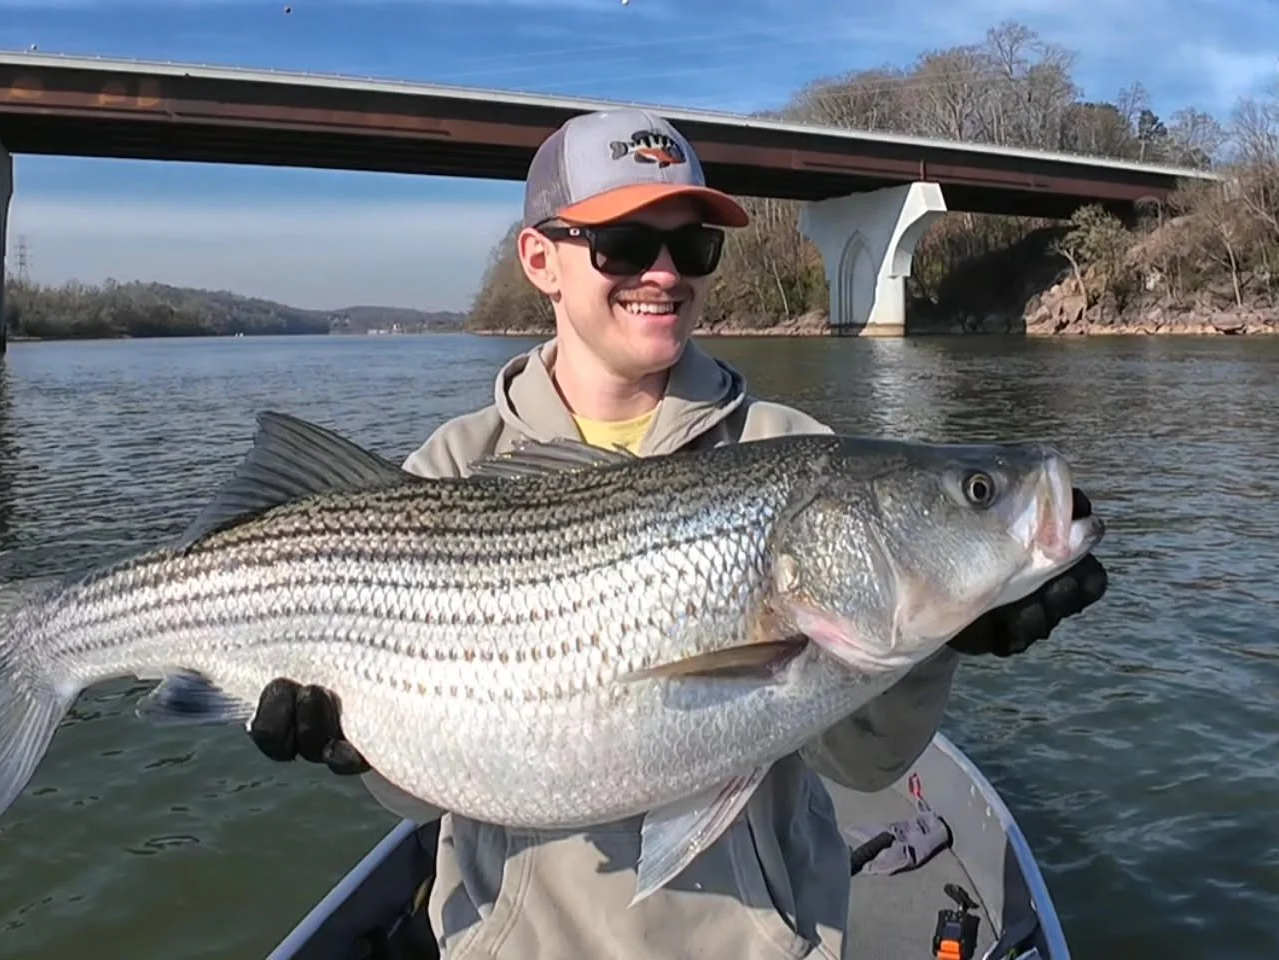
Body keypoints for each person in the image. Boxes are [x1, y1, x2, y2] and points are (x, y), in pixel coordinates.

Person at [247, 108, 1109, 958]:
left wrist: (943, 641)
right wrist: (357, 753)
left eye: (691, 246)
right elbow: (431, 790)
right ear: (539, 260)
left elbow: (864, 767)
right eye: (623, 243)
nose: (663, 273)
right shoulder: (449, 466)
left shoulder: (789, 448)